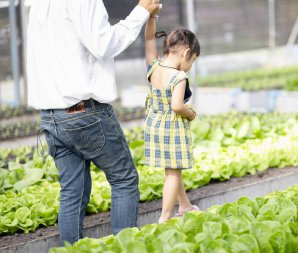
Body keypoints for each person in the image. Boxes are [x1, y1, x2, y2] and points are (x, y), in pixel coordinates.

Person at [27, 0, 161, 245]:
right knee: (123, 179)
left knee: (72, 193)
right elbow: (104, 45)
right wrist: (142, 11)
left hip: (50, 115)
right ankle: (125, 248)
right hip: (84, 113)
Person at [144, 15, 201, 223]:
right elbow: (177, 106)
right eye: (192, 60)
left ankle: (184, 205)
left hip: (154, 125)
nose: (191, 65)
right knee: (173, 174)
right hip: (172, 128)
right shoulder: (179, 77)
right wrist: (192, 113)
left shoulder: (154, 67)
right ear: (186, 53)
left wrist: (150, 18)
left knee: (172, 169)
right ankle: (164, 217)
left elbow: (149, 40)